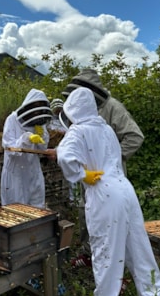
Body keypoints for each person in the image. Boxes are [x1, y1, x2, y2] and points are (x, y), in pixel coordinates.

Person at [55, 87, 160, 296]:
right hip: (126, 190)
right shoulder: (105, 128)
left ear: (71, 110)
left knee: (106, 250)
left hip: (104, 192)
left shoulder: (78, 131)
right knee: (139, 247)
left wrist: (82, 175)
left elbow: (64, 157)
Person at [62, 68, 144, 267]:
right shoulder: (83, 112)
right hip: (88, 176)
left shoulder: (113, 107)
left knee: (113, 220)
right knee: (86, 212)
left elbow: (135, 137)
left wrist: (111, 159)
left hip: (109, 178)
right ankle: (88, 254)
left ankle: (117, 265)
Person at [1, 88, 52, 208]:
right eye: (35, 106)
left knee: (37, 208)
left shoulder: (40, 121)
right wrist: (26, 139)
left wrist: (42, 135)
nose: (36, 111)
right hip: (15, 173)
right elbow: (9, 147)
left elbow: (43, 147)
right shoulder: (12, 119)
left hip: (33, 169)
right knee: (16, 211)